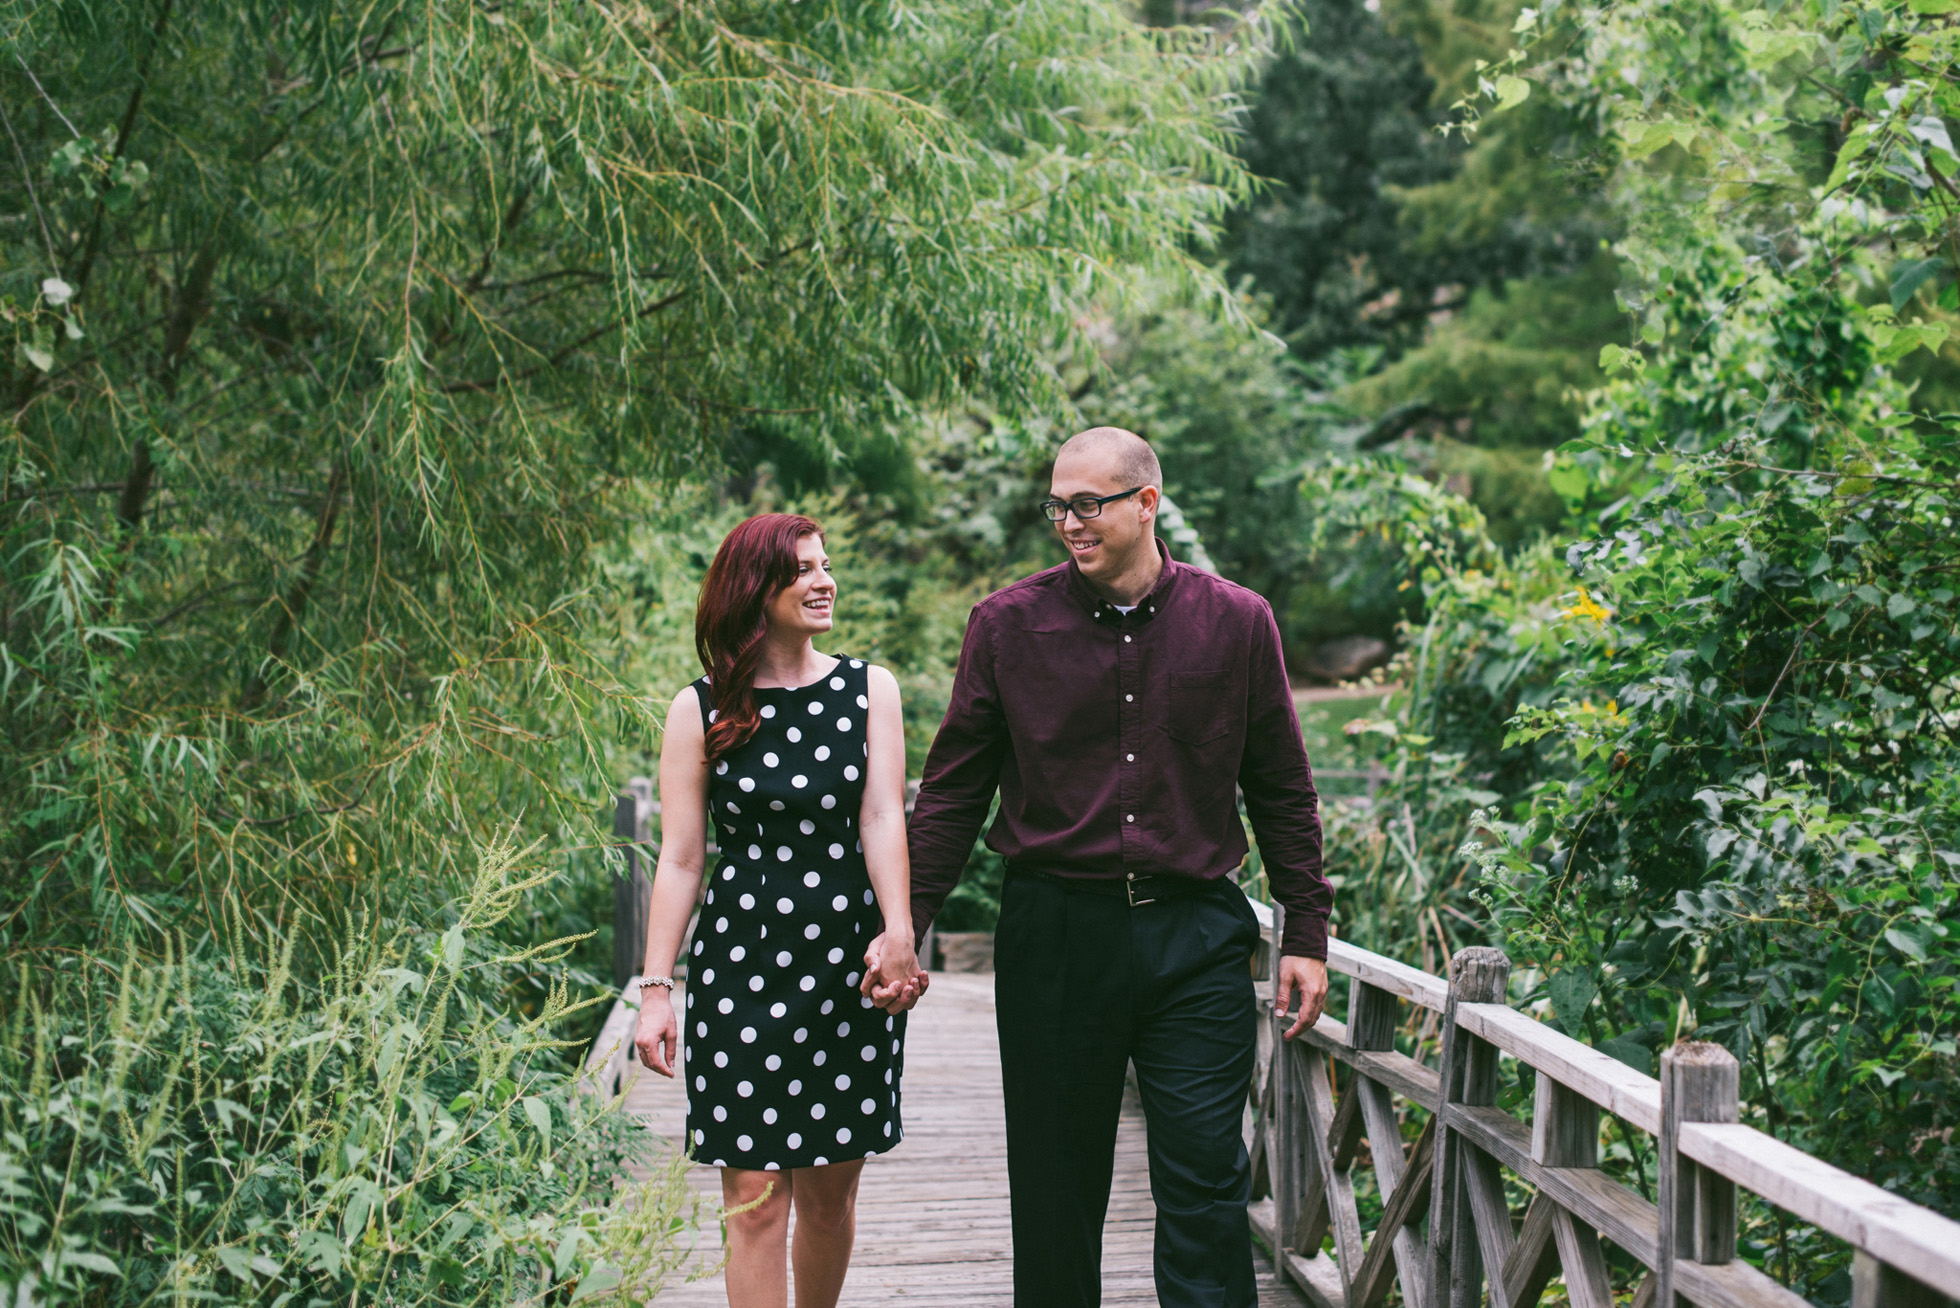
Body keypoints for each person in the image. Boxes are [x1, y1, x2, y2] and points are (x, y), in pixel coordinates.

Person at [903, 427, 1334, 1308]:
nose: (1069, 522)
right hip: (1055, 935)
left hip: (1196, 939)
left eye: (1088, 504)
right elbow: (952, 792)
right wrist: (904, 925)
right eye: (1057, 506)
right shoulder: (1005, 625)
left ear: (1146, 503)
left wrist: (1306, 932)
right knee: (1055, 1190)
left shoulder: (1237, 622)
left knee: (1207, 1181)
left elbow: (1282, 787)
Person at [633, 513, 927, 1308]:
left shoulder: (870, 689)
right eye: (801, 570)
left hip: (847, 963)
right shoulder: (699, 707)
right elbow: (681, 858)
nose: (824, 581)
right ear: (753, 590)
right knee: (755, 1200)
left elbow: (883, 818)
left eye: (825, 565)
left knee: (830, 1198)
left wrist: (899, 934)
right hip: (741, 966)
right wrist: (656, 989)